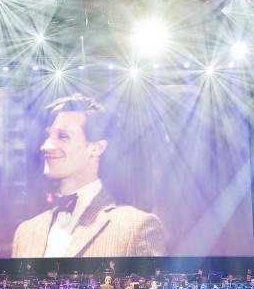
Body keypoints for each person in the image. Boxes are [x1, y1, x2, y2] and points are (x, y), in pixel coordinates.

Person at [12, 93, 166, 258]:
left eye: (62, 136)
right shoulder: (25, 233)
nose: (46, 146)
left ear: (96, 148)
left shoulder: (137, 228)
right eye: (48, 136)